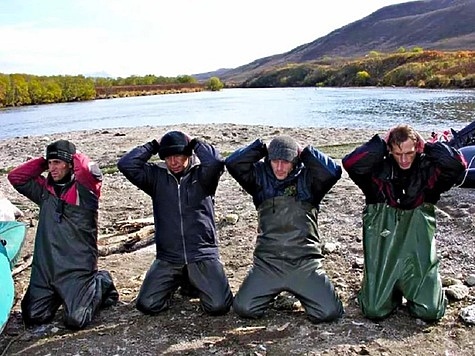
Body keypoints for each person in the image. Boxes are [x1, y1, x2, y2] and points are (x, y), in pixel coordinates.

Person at [342, 124, 467, 322]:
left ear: (416, 148)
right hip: (384, 258)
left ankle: (426, 286)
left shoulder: (429, 172)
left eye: (409, 153)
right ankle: (382, 289)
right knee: (373, 310)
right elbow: (350, 163)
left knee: (431, 312)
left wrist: (427, 146)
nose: (404, 159)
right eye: (398, 153)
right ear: (390, 150)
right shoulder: (375, 174)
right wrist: (382, 143)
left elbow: (458, 164)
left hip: (417, 258)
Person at [225, 135, 344, 323]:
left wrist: (305, 151)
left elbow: (333, 171)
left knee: (329, 312)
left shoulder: (310, 180)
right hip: (268, 264)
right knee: (244, 308)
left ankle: (302, 291)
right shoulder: (259, 178)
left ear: (295, 160)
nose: (279, 168)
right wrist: (262, 147)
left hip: (305, 263)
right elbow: (232, 163)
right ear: (268, 160)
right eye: (275, 161)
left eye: (285, 162)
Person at [117, 131, 233, 316]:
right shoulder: (155, 177)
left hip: (201, 253)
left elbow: (216, 161)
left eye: (178, 155)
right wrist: (154, 144)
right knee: (147, 304)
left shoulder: (204, 176)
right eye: (168, 157)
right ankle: (179, 282)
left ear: (188, 154)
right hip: (169, 256)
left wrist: (193, 141)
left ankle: (193, 282)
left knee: (218, 306)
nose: (174, 162)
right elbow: (126, 164)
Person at [7, 139, 118, 330]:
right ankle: (60, 294)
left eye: (57, 163)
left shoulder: (86, 192)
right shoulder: (44, 191)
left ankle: (101, 281)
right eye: (50, 164)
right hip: (47, 270)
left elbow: (87, 170)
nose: (52, 168)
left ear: (70, 164)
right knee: (34, 316)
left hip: (76, 270)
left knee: (76, 320)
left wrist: (70, 154)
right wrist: (44, 159)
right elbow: (16, 177)